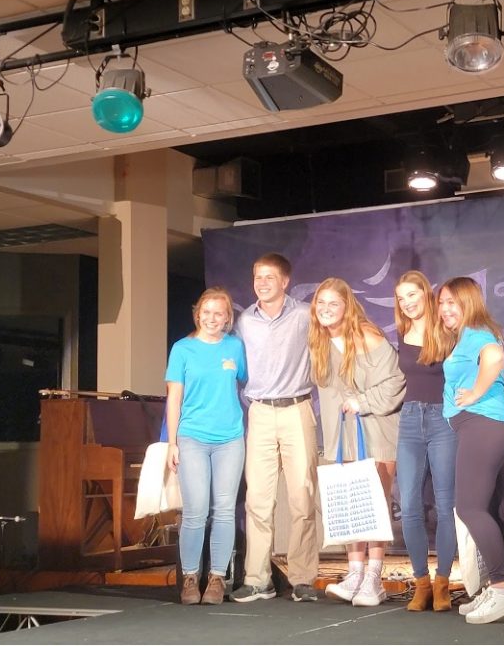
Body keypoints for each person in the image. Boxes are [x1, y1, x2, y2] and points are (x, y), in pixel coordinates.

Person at [309, 277, 406, 607]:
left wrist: (363, 401)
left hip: (376, 428)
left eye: (333, 303)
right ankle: (355, 574)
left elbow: (396, 380)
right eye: (320, 303)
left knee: (374, 502)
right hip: (344, 434)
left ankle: (374, 578)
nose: (326, 309)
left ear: (346, 306)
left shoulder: (365, 335)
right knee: (351, 503)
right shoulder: (319, 341)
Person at [229, 253, 321, 603]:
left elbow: (328, 349)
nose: (262, 282)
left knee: (302, 496)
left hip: (297, 408)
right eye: (257, 276)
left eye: (270, 277)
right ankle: (257, 578)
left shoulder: (303, 314)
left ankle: (302, 578)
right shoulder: (245, 321)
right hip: (260, 413)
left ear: (285, 281)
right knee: (258, 499)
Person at [437, 276, 504, 624]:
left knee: (469, 508)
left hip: (483, 425)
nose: (444, 310)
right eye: (441, 303)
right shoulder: (465, 337)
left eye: (451, 303)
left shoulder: (479, 335)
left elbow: (494, 355)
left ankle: (502, 589)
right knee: (485, 508)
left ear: (469, 303)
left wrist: (474, 392)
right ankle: (497, 585)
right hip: (486, 427)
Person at [166, 287, 247, 606]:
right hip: (192, 437)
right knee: (196, 509)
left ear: (228, 318)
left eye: (220, 313)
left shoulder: (235, 347)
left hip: (229, 438)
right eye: (207, 312)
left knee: (225, 509)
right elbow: (174, 397)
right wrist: (172, 442)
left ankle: (216, 578)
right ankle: (189, 577)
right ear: (197, 313)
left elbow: (244, 382)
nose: (212, 318)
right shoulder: (182, 349)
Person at [393, 271, 457, 612]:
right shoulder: (402, 332)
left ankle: (443, 582)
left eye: (412, 295)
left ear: (426, 294)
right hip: (409, 420)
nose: (407, 303)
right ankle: (421, 582)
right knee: (409, 505)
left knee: (446, 505)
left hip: (442, 419)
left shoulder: (446, 330)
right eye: (401, 298)